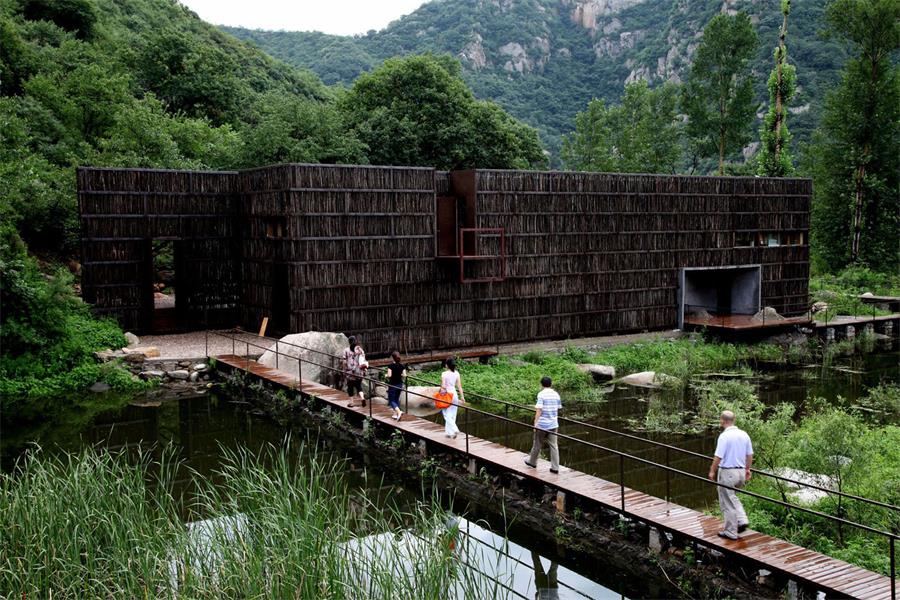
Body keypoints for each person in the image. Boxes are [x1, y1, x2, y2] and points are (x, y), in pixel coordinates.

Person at [708, 410, 753, 540]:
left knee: (726, 501)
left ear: (723, 420)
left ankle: (731, 532)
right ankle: (742, 519)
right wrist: (747, 469)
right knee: (732, 496)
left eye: (720, 420)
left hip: (728, 472)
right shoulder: (744, 434)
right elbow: (749, 455)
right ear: (733, 420)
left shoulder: (724, 436)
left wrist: (712, 470)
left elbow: (718, 456)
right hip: (740, 472)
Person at [524, 376, 562, 473]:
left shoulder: (541, 394)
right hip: (553, 424)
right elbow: (558, 408)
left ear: (541, 384)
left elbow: (539, 410)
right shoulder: (556, 394)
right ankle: (555, 467)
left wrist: (535, 423)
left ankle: (532, 462)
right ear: (551, 384)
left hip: (542, 424)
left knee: (537, 443)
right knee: (554, 445)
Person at [439, 358, 463, 438]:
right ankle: (449, 433)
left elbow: (443, 386)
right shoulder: (457, 373)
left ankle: (455, 428)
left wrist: (441, 389)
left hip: (447, 395)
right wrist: (462, 397)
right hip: (454, 395)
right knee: (453, 414)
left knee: (446, 414)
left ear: (447, 365)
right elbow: (459, 386)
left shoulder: (444, 374)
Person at [343, 335, 367, 408]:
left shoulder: (346, 350)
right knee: (358, 386)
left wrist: (344, 370)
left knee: (350, 387)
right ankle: (362, 398)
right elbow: (363, 360)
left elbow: (344, 362)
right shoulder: (360, 350)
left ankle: (351, 403)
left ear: (349, 342)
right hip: (359, 371)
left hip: (350, 372)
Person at [385, 350, 407, 421]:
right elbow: (405, 375)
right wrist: (399, 374)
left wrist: (386, 375)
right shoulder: (402, 366)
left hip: (393, 385)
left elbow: (389, 375)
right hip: (399, 385)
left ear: (392, 358)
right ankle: (395, 414)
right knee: (396, 399)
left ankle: (398, 411)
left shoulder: (391, 366)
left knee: (391, 400)